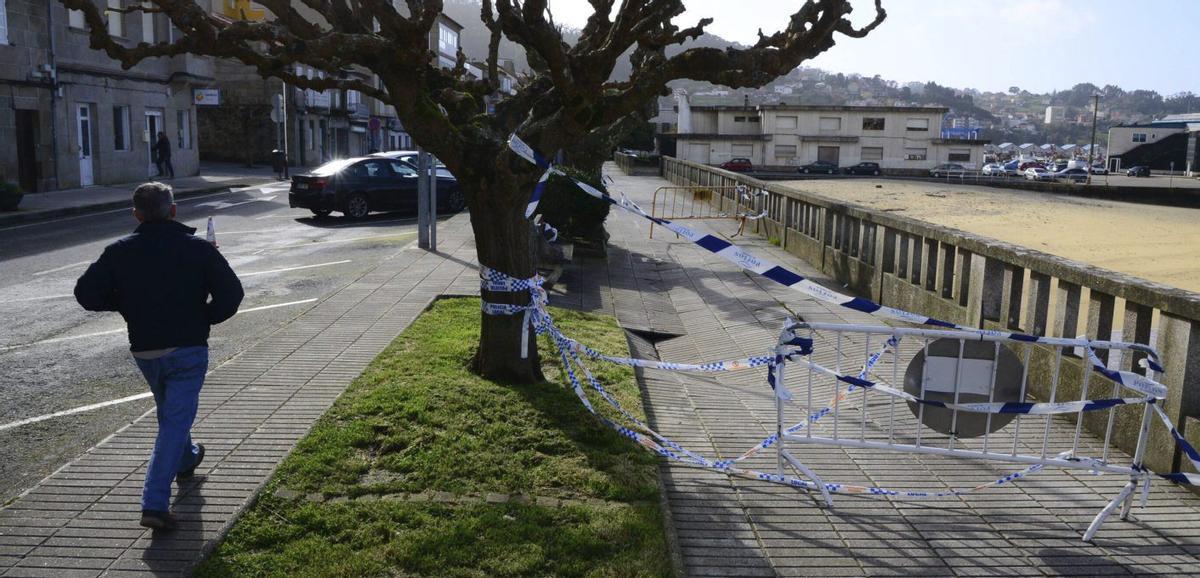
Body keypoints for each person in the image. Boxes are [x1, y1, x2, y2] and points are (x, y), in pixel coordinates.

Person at [74, 182, 243, 530]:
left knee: (171, 413)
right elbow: (231, 293)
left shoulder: (118, 251)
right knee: (174, 420)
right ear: (174, 210)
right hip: (187, 348)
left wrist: (125, 304)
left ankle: (187, 458)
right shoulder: (198, 248)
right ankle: (154, 504)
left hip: (146, 350)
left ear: (136, 214)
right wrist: (204, 317)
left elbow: (86, 294)